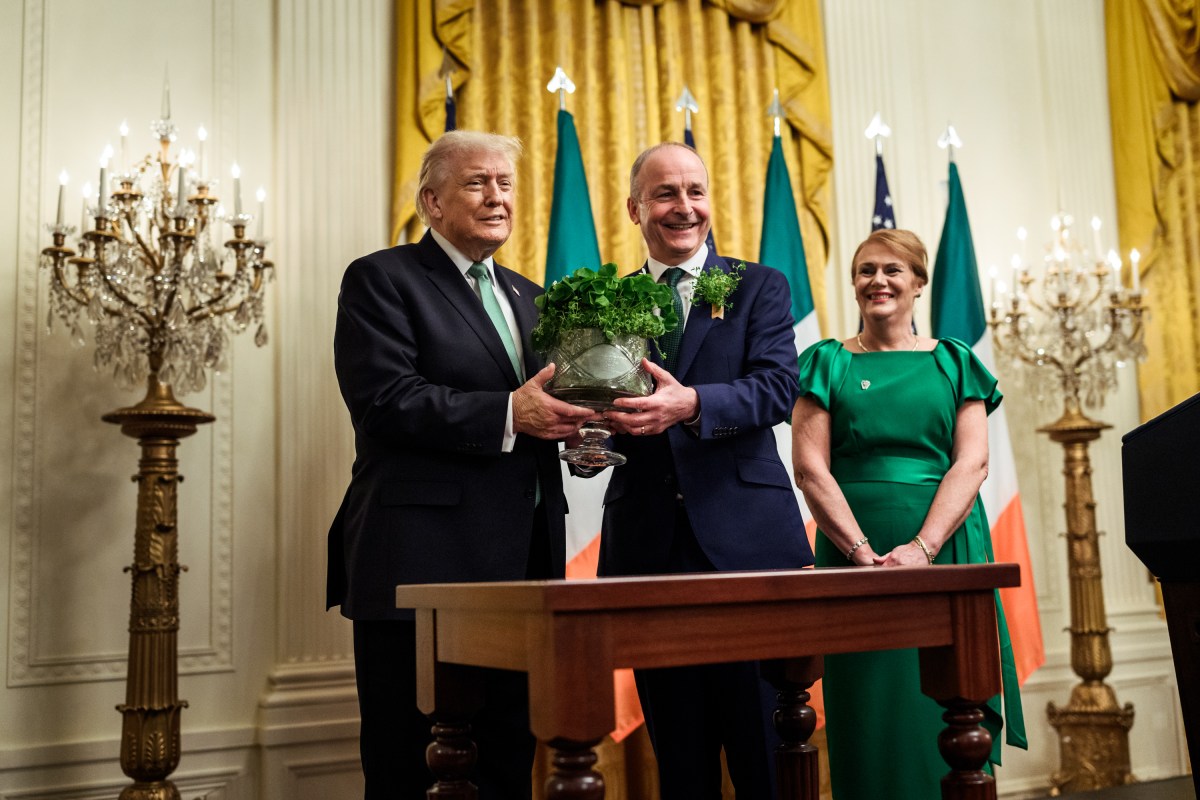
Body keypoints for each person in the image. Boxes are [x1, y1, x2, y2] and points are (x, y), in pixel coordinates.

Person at [327, 130, 594, 799]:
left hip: (524, 568)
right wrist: (512, 414)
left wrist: (571, 432)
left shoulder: (532, 296)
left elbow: (540, 406)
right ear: (432, 202)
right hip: (422, 566)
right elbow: (387, 401)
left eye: (505, 183)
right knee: (410, 765)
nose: (498, 196)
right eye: (478, 182)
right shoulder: (381, 279)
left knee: (507, 757)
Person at [593, 141, 814, 798]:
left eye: (695, 191)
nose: (683, 207)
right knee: (681, 764)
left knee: (765, 758)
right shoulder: (612, 298)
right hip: (649, 551)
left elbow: (777, 388)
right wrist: (589, 436)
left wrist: (691, 404)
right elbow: (599, 409)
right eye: (665, 193)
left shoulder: (754, 285)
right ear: (636, 208)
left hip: (748, 548)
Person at [790, 228, 1027, 799]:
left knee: (947, 712)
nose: (879, 281)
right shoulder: (826, 361)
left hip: (944, 553)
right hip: (852, 563)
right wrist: (859, 554)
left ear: (918, 282)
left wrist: (921, 548)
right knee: (868, 713)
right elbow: (810, 469)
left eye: (893, 270)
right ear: (853, 283)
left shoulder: (955, 361)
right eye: (866, 270)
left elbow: (971, 464)